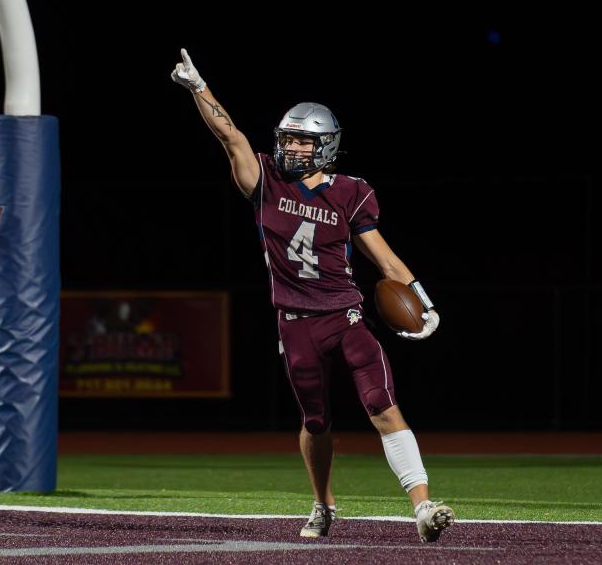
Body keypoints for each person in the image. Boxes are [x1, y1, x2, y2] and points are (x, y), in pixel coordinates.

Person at [171, 49, 454, 543]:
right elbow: (229, 134)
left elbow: (383, 260)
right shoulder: (266, 182)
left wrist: (422, 300)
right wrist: (200, 87)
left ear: (327, 145)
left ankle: (424, 505)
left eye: (304, 140)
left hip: (344, 317)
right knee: (316, 420)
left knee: (381, 404)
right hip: (294, 322)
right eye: (289, 139)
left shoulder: (351, 192)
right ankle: (323, 505)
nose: (293, 148)